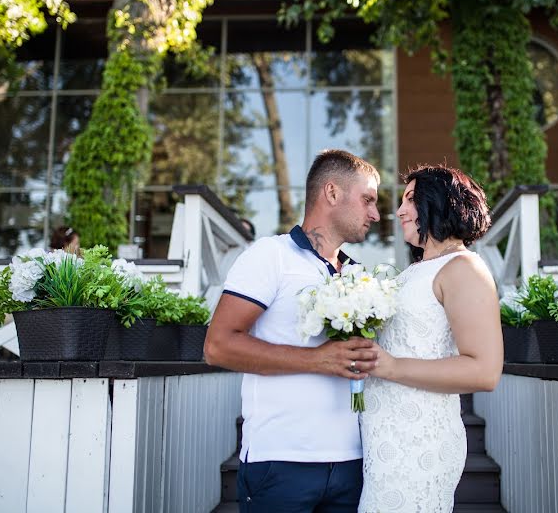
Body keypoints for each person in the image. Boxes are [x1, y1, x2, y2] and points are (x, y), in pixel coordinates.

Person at [204, 149, 382, 512]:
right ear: (331, 193)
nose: (375, 214)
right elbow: (217, 346)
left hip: (353, 463)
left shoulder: (359, 274)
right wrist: (318, 359)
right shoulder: (270, 255)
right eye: (367, 200)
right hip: (280, 461)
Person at [356, 164, 504, 513]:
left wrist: (390, 366)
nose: (399, 210)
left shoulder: (464, 268)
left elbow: (484, 371)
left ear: (440, 202)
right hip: (386, 436)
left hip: (418, 438)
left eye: (411, 199)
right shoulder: (416, 271)